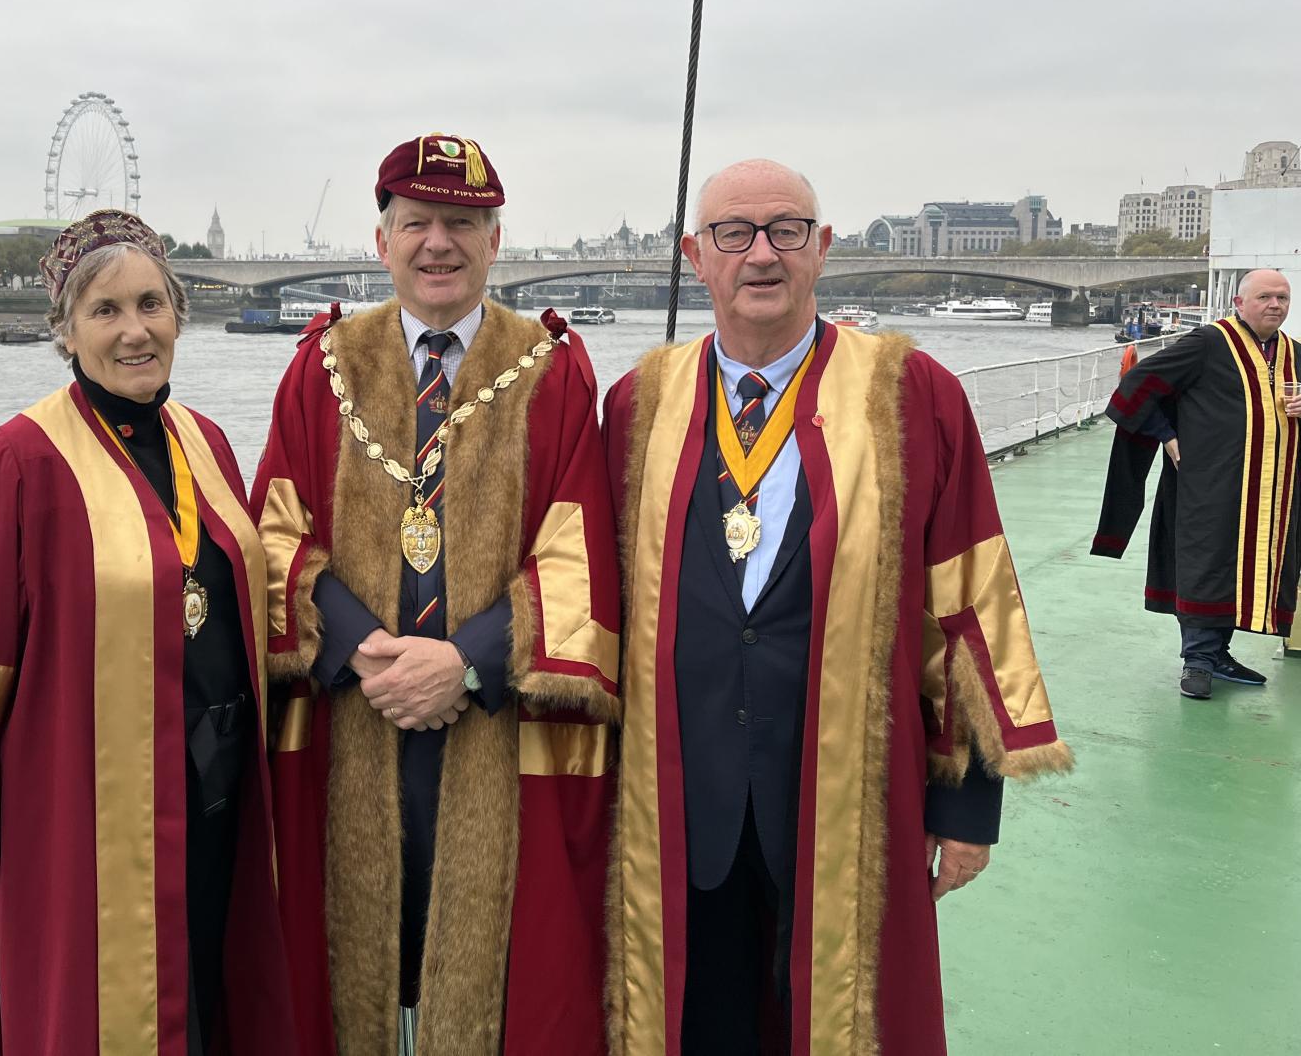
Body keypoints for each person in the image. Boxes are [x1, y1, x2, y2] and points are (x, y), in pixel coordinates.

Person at [603, 159, 1072, 1055]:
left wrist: (969, 806)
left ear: (823, 249)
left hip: (851, 796)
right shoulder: (638, 404)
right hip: (676, 799)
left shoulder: (912, 393)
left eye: (786, 230)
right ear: (694, 257)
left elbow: (968, 601)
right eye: (733, 234)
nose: (761, 255)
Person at [0, 210, 294, 1054]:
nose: (135, 331)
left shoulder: (202, 442)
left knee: (214, 998)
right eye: (105, 311)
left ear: (179, 313)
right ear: (64, 331)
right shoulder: (18, 463)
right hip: (84, 823)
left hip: (217, 796)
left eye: (151, 304)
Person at [252, 135, 619, 1056]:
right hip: (355, 710)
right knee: (359, 952)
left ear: (496, 242)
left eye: (462, 222)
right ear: (383, 244)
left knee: (495, 964)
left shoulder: (553, 369)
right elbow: (274, 534)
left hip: (496, 714)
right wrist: (360, 650)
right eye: (416, 223)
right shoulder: (324, 364)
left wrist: (467, 661)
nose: (438, 243)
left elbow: (579, 551)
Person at [1092, 268, 1301, 699]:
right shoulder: (1209, 343)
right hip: (1209, 482)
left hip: (1271, 488)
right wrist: (1165, 435)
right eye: (1265, 297)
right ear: (1240, 304)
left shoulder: (1294, 354)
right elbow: (1135, 386)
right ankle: (1198, 661)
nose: (1275, 305)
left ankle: (1219, 653)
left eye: (1282, 297)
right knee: (1207, 562)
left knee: (1245, 568)